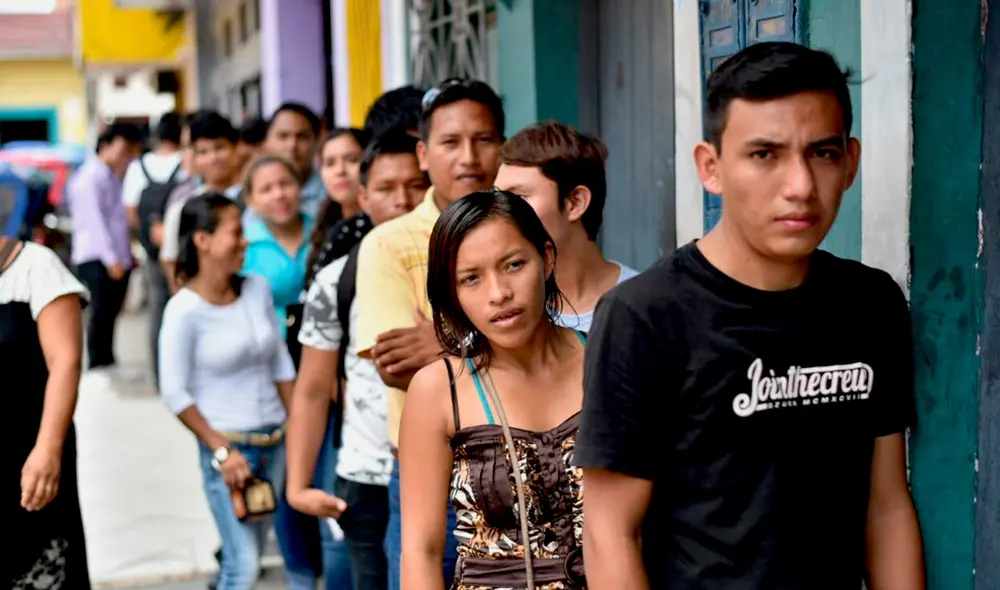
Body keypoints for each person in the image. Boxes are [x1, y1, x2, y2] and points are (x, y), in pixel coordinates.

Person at [576, 41, 925, 590]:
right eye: (765, 155)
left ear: (851, 161)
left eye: (823, 153)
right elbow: (609, 533)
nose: (801, 187)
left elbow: (885, 505)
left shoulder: (869, 303)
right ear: (710, 168)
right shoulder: (644, 315)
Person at [353, 77, 505, 590]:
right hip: (436, 472)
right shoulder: (389, 245)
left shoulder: (527, 226)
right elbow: (400, 370)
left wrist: (448, 344)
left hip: (528, 462)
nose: (470, 157)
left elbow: (559, 350)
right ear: (423, 153)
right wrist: (510, 346)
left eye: (484, 139)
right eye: (450, 142)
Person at [400, 190, 587, 589]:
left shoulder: (606, 358)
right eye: (472, 278)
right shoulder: (439, 389)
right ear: (453, 292)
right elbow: (421, 551)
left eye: (514, 264)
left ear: (547, 259)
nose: (498, 293)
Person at [287, 131, 430, 590]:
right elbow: (312, 388)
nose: (402, 200)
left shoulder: (460, 265)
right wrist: (297, 483)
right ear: (364, 197)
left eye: (414, 185)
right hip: (365, 474)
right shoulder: (337, 279)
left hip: (442, 469)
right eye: (386, 189)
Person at [159, 194, 295, 590]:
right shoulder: (183, 310)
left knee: (247, 551)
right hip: (231, 454)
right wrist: (221, 450)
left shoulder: (256, 289)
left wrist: (300, 427)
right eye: (236, 232)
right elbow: (175, 393)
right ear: (202, 240)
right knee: (245, 565)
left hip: (276, 444)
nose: (245, 242)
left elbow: (281, 366)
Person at [3, 238, 91, 588]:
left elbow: (65, 362)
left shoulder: (34, 267)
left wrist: (48, 449)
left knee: (42, 568)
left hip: (29, 460)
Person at [495, 121, 639, 332]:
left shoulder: (646, 304)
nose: (499, 213)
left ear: (575, 203)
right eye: (496, 198)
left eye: (518, 197)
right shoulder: (500, 309)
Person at [67, 122, 143, 379]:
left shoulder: (112, 177)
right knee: (100, 312)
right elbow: (95, 223)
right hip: (96, 257)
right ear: (106, 145)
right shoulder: (89, 178)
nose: (127, 156)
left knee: (111, 312)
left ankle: (107, 360)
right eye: (123, 149)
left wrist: (126, 253)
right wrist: (112, 259)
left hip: (116, 256)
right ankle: (98, 365)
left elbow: (118, 221)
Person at [122, 112, 186, 387]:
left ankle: (161, 377)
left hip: (151, 251)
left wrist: (147, 238)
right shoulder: (186, 162)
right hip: (186, 249)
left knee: (158, 310)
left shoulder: (139, 166)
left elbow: (131, 211)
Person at [160, 111, 243, 292]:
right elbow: (171, 262)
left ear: (236, 148)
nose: (213, 158)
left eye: (219, 148)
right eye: (203, 152)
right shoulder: (183, 207)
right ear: (194, 158)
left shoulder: (257, 198)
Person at [305, 127, 371, 287]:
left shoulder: (379, 224)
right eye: (330, 163)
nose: (340, 171)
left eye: (352, 160)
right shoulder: (324, 222)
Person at [265, 102, 325, 219]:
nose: (292, 145)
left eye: (302, 136)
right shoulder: (240, 198)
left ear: (318, 141)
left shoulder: (333, 194)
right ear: (267, 141)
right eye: (283, 136)